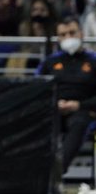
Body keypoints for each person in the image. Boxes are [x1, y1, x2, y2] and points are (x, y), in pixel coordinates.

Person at [37, 17, 96, 173]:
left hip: (84, 110)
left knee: (79, 122)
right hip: (53, 109)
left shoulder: (94, 61)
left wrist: (78, 105)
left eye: (72, 33)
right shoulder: (49, 62)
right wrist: (54, 104)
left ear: (81, 34)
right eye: (63, 34)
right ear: (58, 38)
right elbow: (37, 90)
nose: (68, 38)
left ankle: (56, 172)